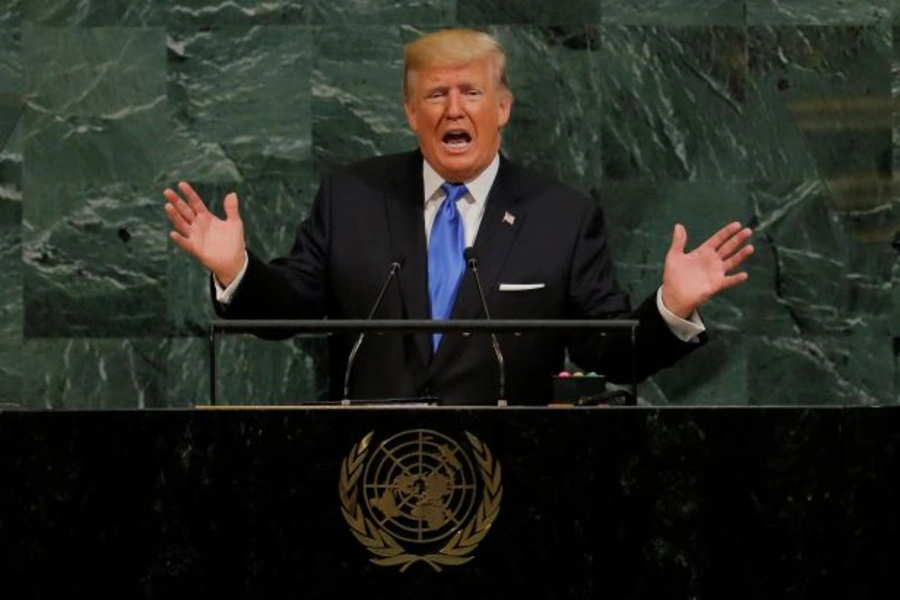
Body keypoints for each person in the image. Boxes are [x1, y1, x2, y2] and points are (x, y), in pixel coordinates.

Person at [163, 28, 753, 406]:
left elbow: (608, 353)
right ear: (409, 110)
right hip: (368, 473)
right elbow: (286, 310)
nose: (453, 110)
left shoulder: (562, 215)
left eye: (470, 93)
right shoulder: (352, 198)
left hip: (515, 481)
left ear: (502, 108)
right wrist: (237, 269)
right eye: (435, 94)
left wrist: (671, 308)